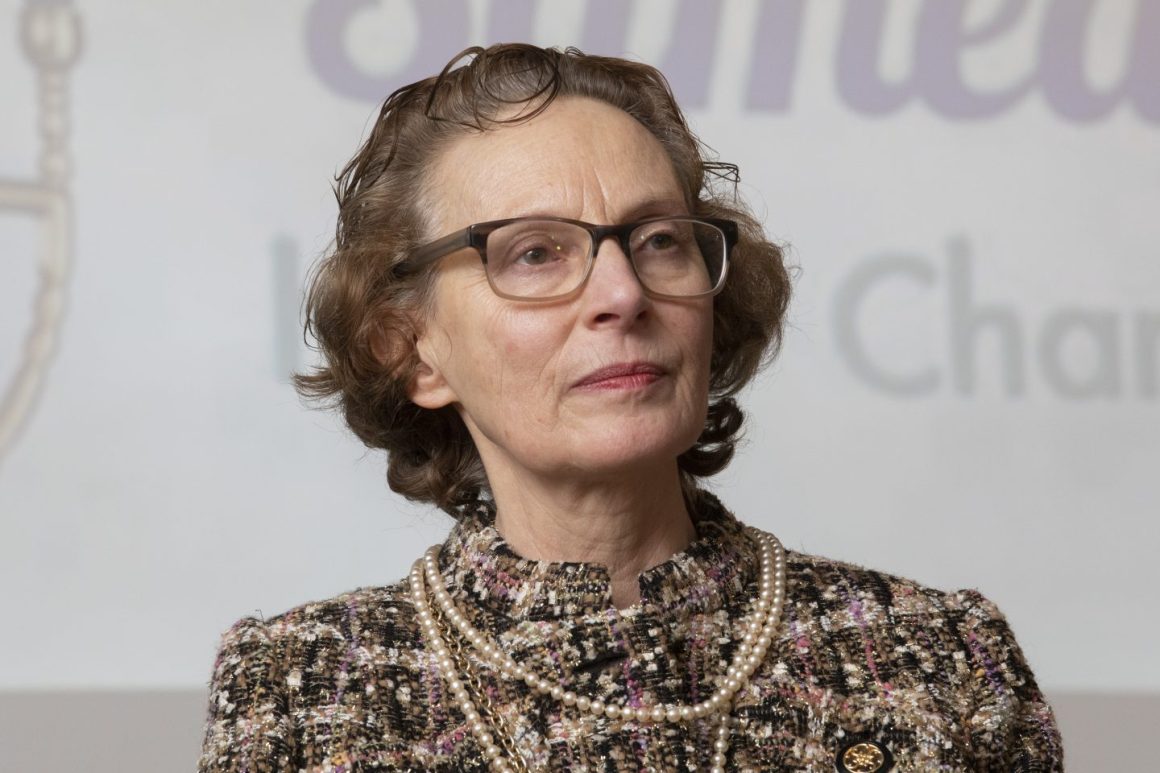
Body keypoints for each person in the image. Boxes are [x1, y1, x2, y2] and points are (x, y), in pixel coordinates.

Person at [198, 44, 1062, 772]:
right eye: (535, 253)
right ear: (412, 349)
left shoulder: (945, 662)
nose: (623, 292)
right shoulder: (301, 693)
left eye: (658, 240)